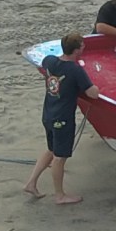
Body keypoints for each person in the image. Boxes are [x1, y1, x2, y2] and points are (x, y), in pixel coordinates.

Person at [25, 34, 91, 205]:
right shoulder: (75, 70)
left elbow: (44, 69)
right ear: (76, 50)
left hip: (48, 114)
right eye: (82, 46)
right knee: (60, 157)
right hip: (62, 119)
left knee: (51, 150)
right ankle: (60, 195)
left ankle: (31, 183)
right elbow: (93, 93)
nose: (84, 48)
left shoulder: (50, 61)